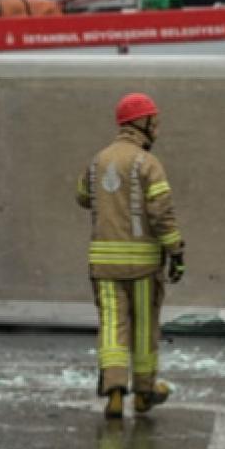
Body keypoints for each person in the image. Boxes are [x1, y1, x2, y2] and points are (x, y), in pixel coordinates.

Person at [75, 92, 185, 419]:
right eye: (156, 120)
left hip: (104, 265)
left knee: (112, 325)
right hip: (143, 266)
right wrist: (175, 250)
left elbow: (82, 196)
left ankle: (113, 391)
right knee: (143, 326)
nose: (158, 127)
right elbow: (162, 212)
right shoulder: (147, 163)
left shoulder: (98, 161)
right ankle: (144, 391)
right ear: (143, 122)